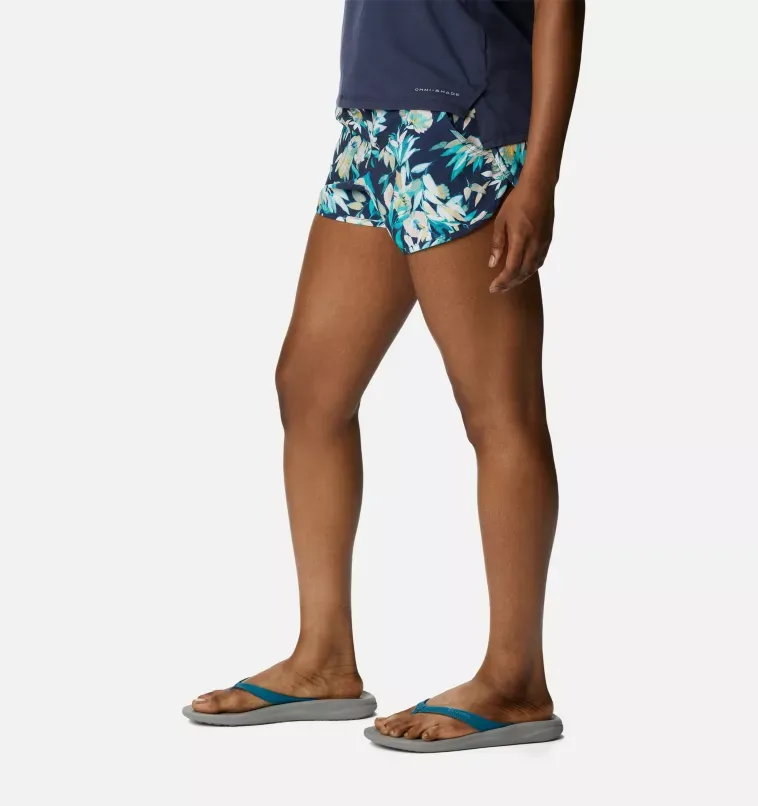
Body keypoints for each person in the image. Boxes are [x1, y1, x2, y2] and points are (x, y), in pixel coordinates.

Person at [184, 0, 585, 752]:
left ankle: (515, 681)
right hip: (371, 122)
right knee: (311, 390)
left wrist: (538, 178)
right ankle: (323, 659)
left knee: (498, 411)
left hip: (462, 127)